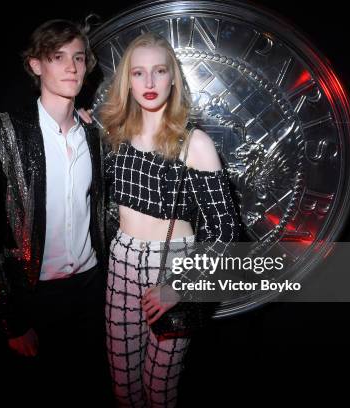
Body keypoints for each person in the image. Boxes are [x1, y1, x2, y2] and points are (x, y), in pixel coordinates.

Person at [0, 18, 112, 404]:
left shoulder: (96, 137)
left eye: (79, 58)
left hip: (90, 289)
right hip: (34, 296)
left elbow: (106, 214)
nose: (71, 67)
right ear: (36, 65)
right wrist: (12, 321)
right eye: (57, 56)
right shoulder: (1, 133)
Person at [99, 32, 241, 407]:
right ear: (127, 80)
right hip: (121, 260)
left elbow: (226, 232)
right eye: (138, 73)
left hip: (174, 263)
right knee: (122, 386)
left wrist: (180, 286)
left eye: (159, 71)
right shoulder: (114, 136)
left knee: (159, 390)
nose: (148, 83)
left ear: (173, 78)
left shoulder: (194, 143)